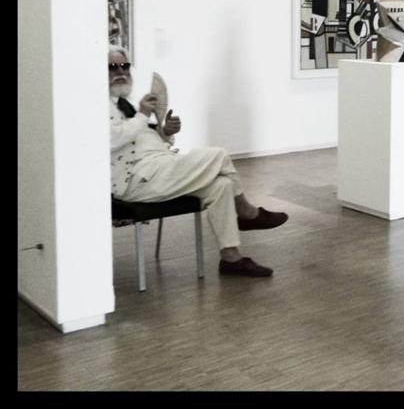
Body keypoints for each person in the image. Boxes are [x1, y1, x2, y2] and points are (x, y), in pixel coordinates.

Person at [109, 46, 288, 277]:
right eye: (112, 67)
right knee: (219, 154)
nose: (120, 71)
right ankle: (247, 213)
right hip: (136, 178)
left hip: (160, 166)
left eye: (124, 66)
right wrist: (143, 115)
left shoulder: (126, 104)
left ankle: (231, 258)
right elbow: (113, 139)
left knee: (222, 185)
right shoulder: (96, 106)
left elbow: (143, 139)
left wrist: (165, 131)